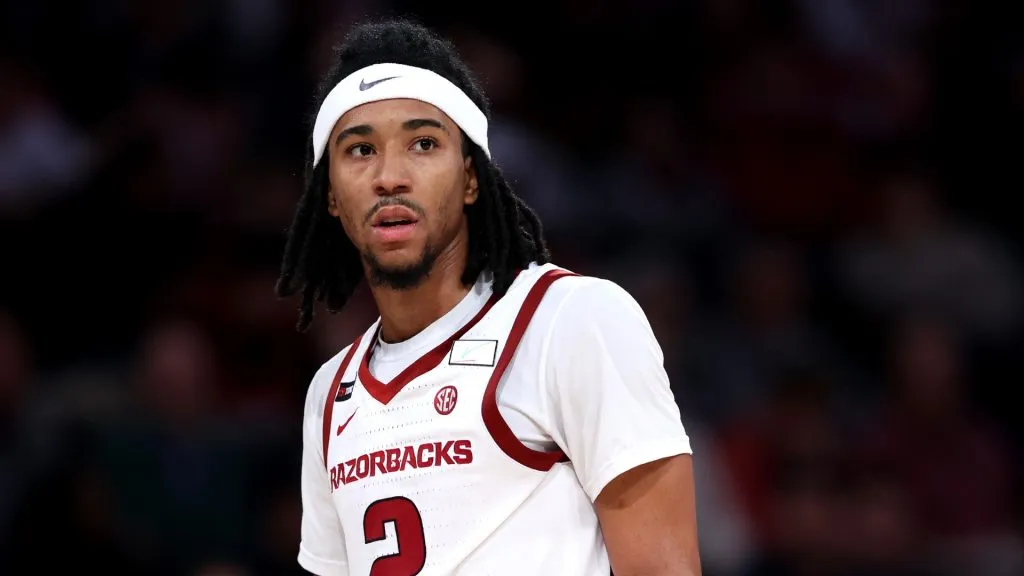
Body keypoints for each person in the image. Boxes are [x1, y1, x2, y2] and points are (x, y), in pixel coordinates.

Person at [277, 17, 700, 576]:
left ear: (472, 177)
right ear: (329, 195)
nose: (390, 176)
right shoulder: (330, 394)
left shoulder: (571, 321)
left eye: (423, 143)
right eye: (360, 150)